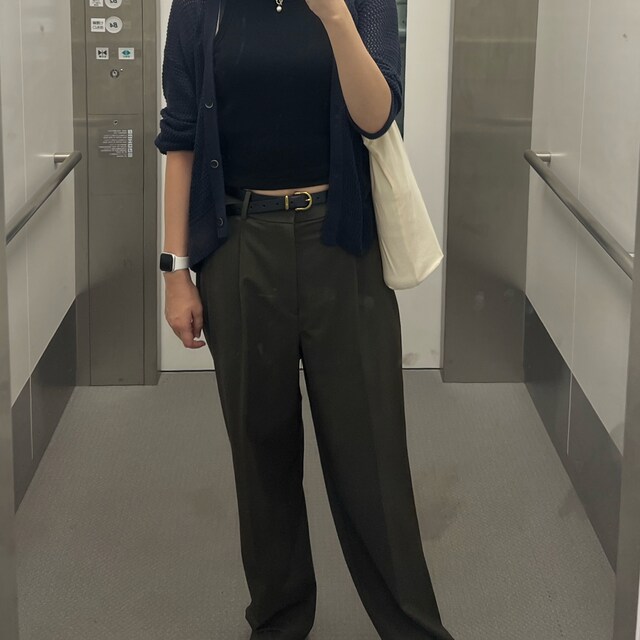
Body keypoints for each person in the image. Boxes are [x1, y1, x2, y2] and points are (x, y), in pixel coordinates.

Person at [155, 0, 456, 638]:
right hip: (239, 245)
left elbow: (378, 116)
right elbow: (180, 136)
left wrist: (337, 18)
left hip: (342, 242)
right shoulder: (199, 7)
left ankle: (412, 626)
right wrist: (175, 271)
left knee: (372, 451)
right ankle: (280, 620)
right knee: (259, 451)